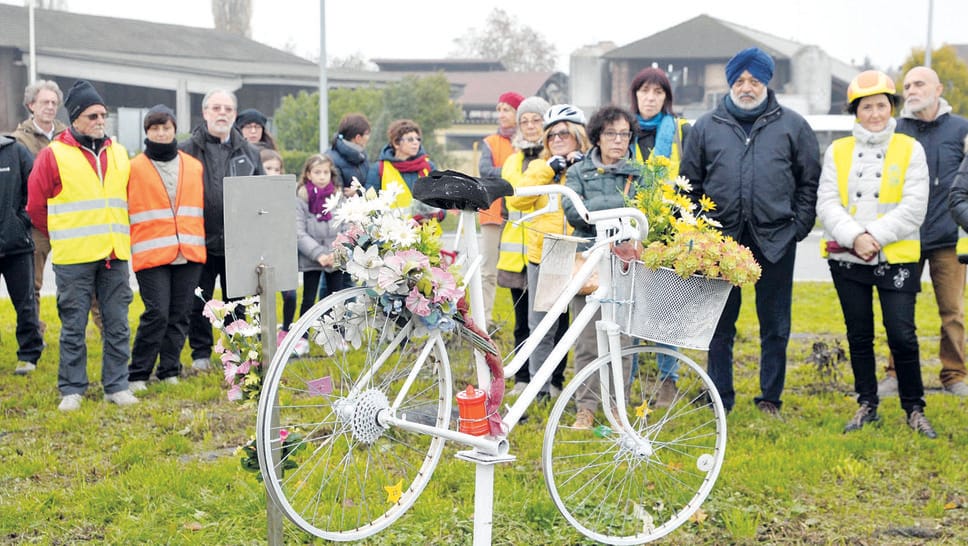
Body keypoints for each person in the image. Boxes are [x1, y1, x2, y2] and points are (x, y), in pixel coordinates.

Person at [679, 47, 821, 416]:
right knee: (720, 326)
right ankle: (720, 397)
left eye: (754, 80)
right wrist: (701, 234)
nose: (746, 87)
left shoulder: (793, 125)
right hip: (721, 243)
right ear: (730, 83)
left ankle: (770, 397)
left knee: (775, 325)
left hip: (776, 240)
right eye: (739, 80)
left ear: (766, 81)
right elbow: (689, 185)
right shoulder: (706, 127)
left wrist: (798, 227)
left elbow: (809, 182)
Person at [816, 70, 936, 438]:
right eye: (867, 107)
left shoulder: (910, 148)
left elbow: (915, 205)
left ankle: (914, 407)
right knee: (859, 334)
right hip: (848, 258)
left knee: (902, 334)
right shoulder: (838, 150)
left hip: (896, 256)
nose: (875, 113)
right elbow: (828, 202)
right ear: (856, 111)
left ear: (891, 107)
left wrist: (874, 236)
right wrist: (855, 237)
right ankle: (866, 402)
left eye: (881, 105)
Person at [26, 80, 138, 411]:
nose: (100, 120)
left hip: (114, 255)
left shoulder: (119, 153)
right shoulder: (53, 156)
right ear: (76, 118)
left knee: (117, 323)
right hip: (74, 258)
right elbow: (35, 207)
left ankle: (117, 385)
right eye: (93, 115)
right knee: (73, 326)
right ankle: (72, 388)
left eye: (103, 114)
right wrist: (62, 232)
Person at [879, 66, 968, 397]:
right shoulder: (895, 131)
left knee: (953, 312)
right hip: (905, 237)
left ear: (938, 89)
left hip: (948, 238)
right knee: (898, 311)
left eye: (919, 84)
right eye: (907, 85)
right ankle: (895, 373)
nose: (912, 90)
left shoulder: (962, 130)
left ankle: (955, 375)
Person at [563, 105, 641, 429]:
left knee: (623, 339)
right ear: (597, 137)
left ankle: (618, 409)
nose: (619, 140)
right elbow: (573, 212)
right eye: (611, 133)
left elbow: (648, 209)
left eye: (625, 134)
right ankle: (587, 408)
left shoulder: (640, 172)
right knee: (587, 340)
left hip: (628, 266)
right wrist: (621, 210)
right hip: (589, 265)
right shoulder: (578, 172)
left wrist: (600, 210)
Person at [506, 104, 590, 403]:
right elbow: (516, 200)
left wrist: (582, 167)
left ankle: (580, 392)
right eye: (551, 134)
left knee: (583, 329)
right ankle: (539, 391)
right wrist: (549, 168)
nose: (556, 138)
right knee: (541, 327)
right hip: (545, 254)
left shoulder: (590, 166)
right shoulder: (539, 167)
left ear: (578, 136)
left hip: (582, 255)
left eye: (563, 133)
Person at [180, 89, 265, 371]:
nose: (222, 113)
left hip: (236, 243)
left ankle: (237, 351)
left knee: (238, 301)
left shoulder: (250, 153)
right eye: (216, 108)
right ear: (205, 113)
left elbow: (259, 195)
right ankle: (200, 354)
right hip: (199, 239)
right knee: (200, 301)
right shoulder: (186, 150)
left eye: (228, 109)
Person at [127, 105, 206, 392]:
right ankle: (138, 373)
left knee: (181, 314)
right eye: (155, 128)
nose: (161, 133)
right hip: (151, 253)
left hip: (190, 251)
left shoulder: (194, 166)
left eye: (166, 128)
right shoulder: (133, 167)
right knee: (157, 313)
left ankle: (169, 369)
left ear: (174, 130)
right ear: (147, 132)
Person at [628, 67, 693, 408]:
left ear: (667, 98)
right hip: (630, 230)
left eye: (658, 92)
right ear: (635, 96)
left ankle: (668, 381)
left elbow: (694, 176)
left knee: (666, 309)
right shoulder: (622, 131)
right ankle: (629, 377)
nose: (650, 98)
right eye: (644, 92)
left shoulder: (681, 130)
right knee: (629, 307)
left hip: (669, 231)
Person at [498, 95, 555, 396]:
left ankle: (553, 380)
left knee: (552, 318)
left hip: (544, 248)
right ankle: (522, 377)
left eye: (537, 119)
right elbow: (513, 198)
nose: (531, 126)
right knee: (522, 322)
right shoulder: (511, 160)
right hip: (515, 251)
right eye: (525, 121)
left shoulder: (552, 157)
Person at [10, 80, 71, 338]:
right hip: (36, 221)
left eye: (54, 103)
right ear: (31, 105)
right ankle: (35, 333)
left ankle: (103, 330)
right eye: (44, 102)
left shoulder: (69, 135)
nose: (49, 107)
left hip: (68, 219)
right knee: (32, 283)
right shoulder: (17, 141)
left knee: (84, 279)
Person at [0, 133, 44, 375]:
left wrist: (21, 221)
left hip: (17, 245)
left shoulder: (16, 152)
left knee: (25, 303)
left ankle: (29, 354)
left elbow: (35, 188)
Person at [478, 91, 523, 327]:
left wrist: (504, 173)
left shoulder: (527, 142)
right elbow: (485, 171)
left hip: (521, 214)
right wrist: (514, 174)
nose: (501, 114)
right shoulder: (490, 142)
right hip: (493, 212)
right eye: (499, 110)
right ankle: (485, 319)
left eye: (507, 109)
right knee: (487, 270)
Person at [294, 154, 346, 347]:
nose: (322, 176)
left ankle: (336, 335)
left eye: (325, 172)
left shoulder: (338, 197)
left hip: (335, 256)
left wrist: (336, 253)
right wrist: (318, 254)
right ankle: (302, 338)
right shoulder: (301, 198)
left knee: (336, 299)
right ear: (308, 174)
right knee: (308, 298)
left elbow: (345, 225)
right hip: (312, 258)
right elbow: (298, 231)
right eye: (317, 172)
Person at [364, 119, 437, 215]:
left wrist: (436, 214)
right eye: (410, 139)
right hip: (393, 229)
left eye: (418, 139)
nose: (416, 142)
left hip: (427, 228)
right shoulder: (379, 169)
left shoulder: (428, 166)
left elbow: (442, 203)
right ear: (396, 143)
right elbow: (370, 206)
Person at [327, 113, 371, 188]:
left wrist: (358, 192)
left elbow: (370, 184)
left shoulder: (362, 155)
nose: (369, 137)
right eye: (367, 134)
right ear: (358, 138)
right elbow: (336, 192)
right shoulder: (330, 160)